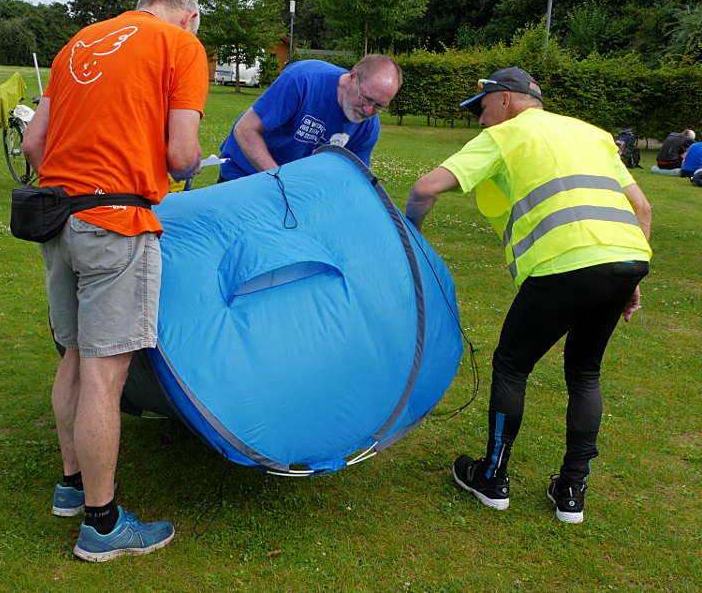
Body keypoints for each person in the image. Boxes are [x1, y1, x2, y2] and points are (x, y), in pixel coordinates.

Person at [406, 67, 652, 524]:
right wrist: (630, 279)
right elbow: (642, 206)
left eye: (481, 109)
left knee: (513, 365)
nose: (480, 120)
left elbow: (424, 188)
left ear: (503, 100)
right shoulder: (592, 133)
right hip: (626, 259)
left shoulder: (507, 134)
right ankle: (572, 492)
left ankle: (493, 477)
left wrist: (411, 239)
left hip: (563, 264)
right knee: (584, 372)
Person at [22, 0, 208, 561]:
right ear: (190, 16)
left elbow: (34, 143)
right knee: (106, 375)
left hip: (57, 220)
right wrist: (190, 161)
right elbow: (181, 156)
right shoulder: (182, 47)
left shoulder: (79, 41)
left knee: (75, 356)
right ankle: (102, 526)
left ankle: (71, 486)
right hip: (117, 224)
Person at [217, 55, 402, 181]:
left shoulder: (368, 126)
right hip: (243, 175)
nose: (369, 110)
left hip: (290, 188)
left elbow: (351, 176)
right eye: (366, 98)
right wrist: (281, 181)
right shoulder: (304, 80)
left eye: (379, 106)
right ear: (353, 76)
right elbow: (245, 129)